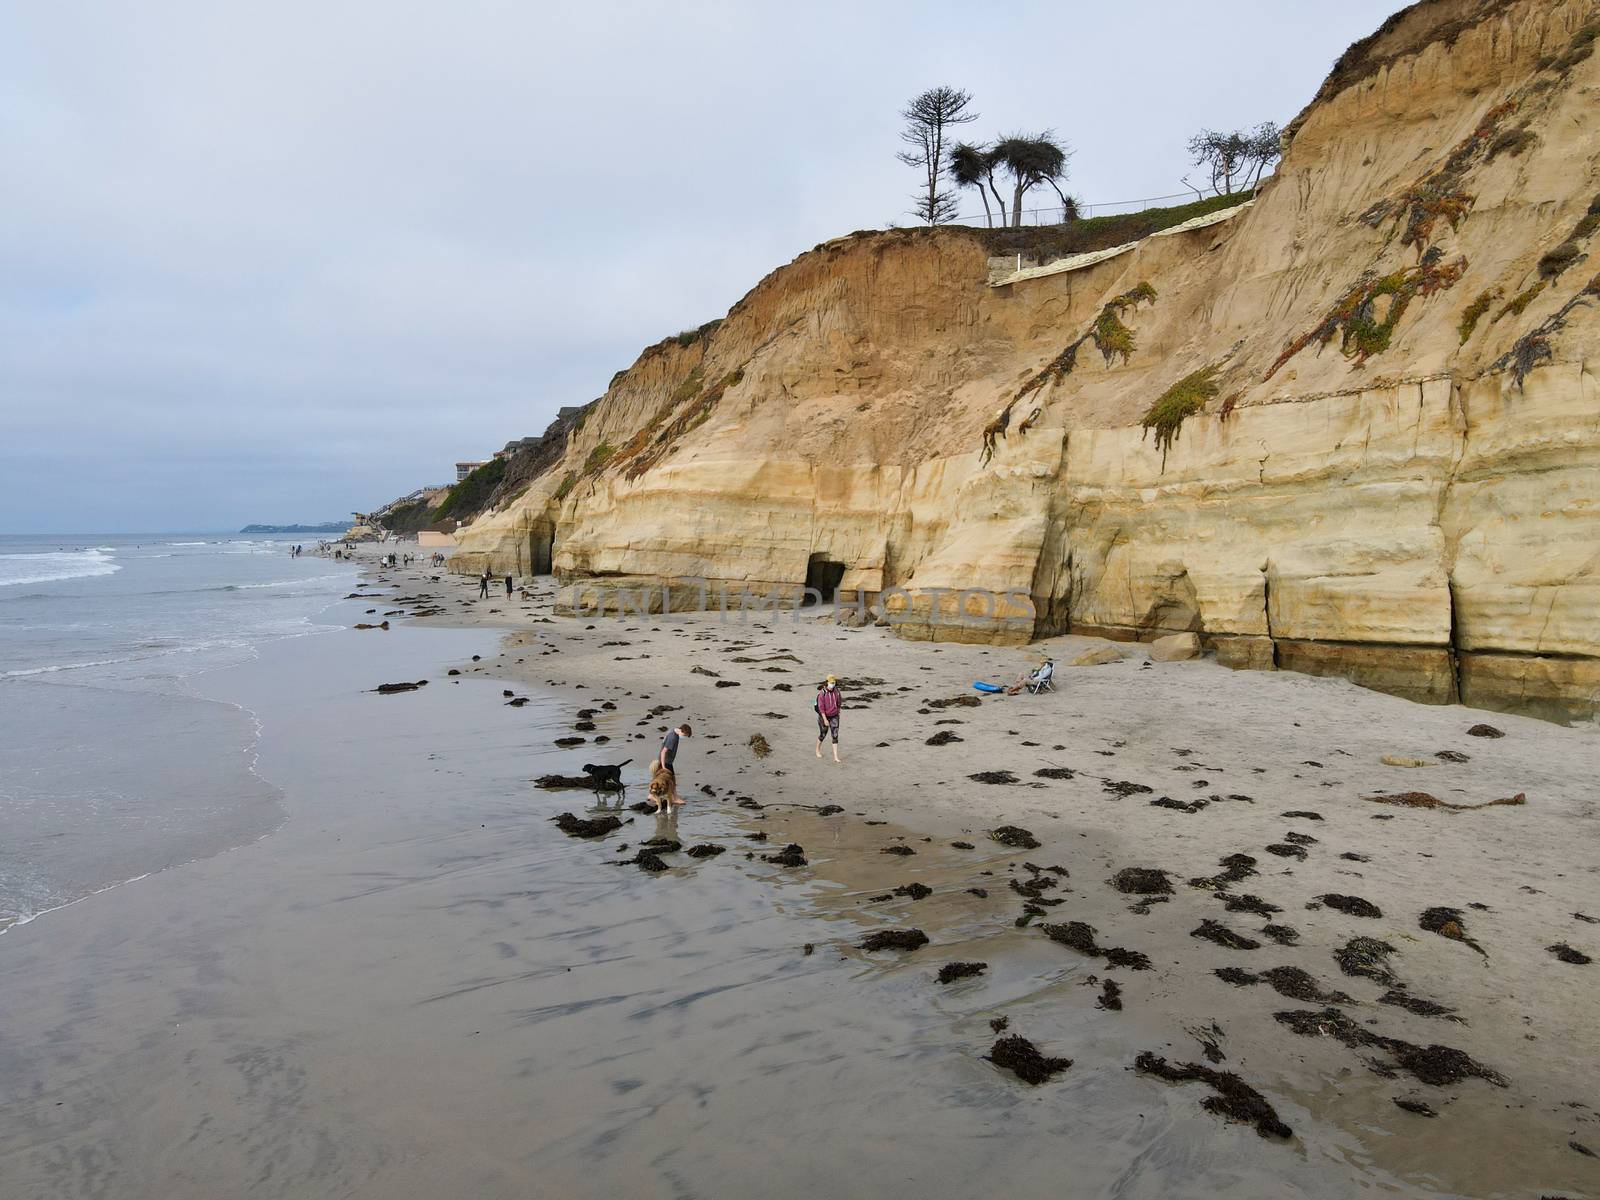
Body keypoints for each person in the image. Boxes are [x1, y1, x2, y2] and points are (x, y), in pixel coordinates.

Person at [656, 722, 692, 810]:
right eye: (685, 735)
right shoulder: (673, 738)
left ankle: (651, 796)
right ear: (682, 731)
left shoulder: (674, 730)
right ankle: (675, 798)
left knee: (658, 779)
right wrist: (664, 766)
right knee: (672, 780)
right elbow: (664, 751)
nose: (684, 737)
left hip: (664, 760)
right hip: (666, 761)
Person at [814, 675, 842, 762]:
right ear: (827, 683)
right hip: (824, 717)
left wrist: (838, 711)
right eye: (831, 683)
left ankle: (835, 757)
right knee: (823, 734)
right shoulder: (822, 693)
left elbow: (839, 702)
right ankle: (817, 749)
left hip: (834, 716)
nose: (832, 685)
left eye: (834, 683)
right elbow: (821, 707)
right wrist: (825, 719)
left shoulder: (837, 691)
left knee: (835, 736)